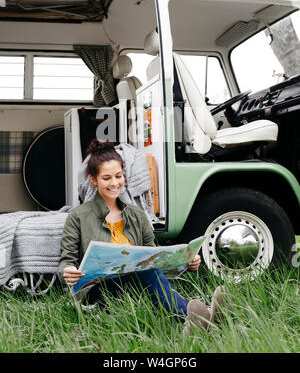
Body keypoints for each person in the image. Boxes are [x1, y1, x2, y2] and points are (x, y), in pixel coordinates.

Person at [58, 140, 226, 333]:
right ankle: (203, 317)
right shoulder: (78, 216)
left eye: (118, 176)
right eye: (106, 178)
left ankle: (189, 326)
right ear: (93, 179)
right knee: (147, 273)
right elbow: (66, 262)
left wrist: (185, 263)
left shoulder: (137, 214)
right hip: (99, 291)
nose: (114, 183)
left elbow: (155, 256)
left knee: (149, 272)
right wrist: (67, 272)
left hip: (138, 284)